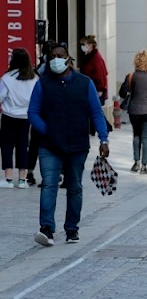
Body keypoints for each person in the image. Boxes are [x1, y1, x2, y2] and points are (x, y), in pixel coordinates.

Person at [28, 43, 110, 246]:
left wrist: (103, 138)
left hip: (77, 144)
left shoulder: (84, 83)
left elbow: (96, 112)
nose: (56, 58)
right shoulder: (43, 84)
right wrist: (47, 130)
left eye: (60, 55)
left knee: (74, 187)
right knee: (49, 184)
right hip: (50, 145)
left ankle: (72, 229)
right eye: (52, 55)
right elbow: (33, 113)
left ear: (68, 58)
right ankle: (46, 228)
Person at [0, 49, 39, 189]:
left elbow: (1, 96)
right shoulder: (34, 78)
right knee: (23, 146)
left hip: (9, 116)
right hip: (26, 117)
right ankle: (22, 179)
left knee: (7, 146)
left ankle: (9, 178)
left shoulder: (7, 78)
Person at [79, 35, 108, 105]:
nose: (82, 46)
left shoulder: (95, 57)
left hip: (95, 88)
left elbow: (100, 74)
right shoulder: (88, 57)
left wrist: (100, 89)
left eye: (83, 44)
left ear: (90, 45)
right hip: (88, 86)